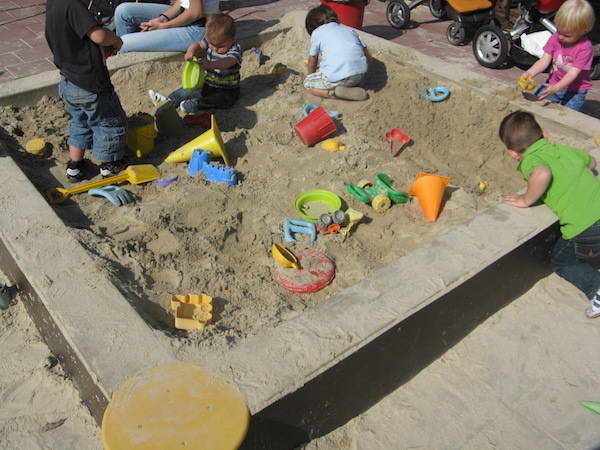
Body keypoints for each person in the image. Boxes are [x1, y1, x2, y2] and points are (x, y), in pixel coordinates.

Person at [499, 110, 600, 318]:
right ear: (544, 134)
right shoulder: (562, 149)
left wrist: (525, 199)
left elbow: (542, 173)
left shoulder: (530, 160)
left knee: (562, 260)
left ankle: (596, 288)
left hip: (586, 228)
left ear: (513, 153)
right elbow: (592, 162)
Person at [45, 0, 128, 181]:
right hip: (90, 83)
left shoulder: (53, 4)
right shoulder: (73, 6)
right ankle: (109, 165)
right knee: (108, 122)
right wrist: (115, 39)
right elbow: (98, 36)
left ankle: (75, 166)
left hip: (68, 80)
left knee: (79, 122)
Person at [148, 13, 242, 114]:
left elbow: (227, 62)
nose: (215, 49)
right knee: (188, 90)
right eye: (211, 45)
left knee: (220, 100)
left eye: (220, 46)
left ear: (233, 39)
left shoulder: (235, 49)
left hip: (227, 90)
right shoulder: (213, 41)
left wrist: (210, 65)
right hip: (208, 83)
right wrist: (191, 50)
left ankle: (195, 105)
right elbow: (198, 45)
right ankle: (168, 101)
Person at [521, 0, 595, 111]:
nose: (560, 37)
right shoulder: (556, 37)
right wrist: (530, 72)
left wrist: (556, 88)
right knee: (538, 106)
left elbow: (572, 74)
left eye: (566, 35)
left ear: (584, 31)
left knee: (567, 117)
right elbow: (544, 60)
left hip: (575, 91)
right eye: (558, 30)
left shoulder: (585, 48)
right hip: (553, 82)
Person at [303, 5, 370, 101]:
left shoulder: (317, 33)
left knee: (307, 83)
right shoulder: (349, 30)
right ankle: (355, 86)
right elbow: (367, 54)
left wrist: (311, 75)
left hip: (338, 78)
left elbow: (312, 60)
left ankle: (332, 93)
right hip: (359, 75)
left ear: (312, 28)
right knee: (353, 76)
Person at [114, 0, 219, 53]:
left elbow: (196, 13)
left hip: (200, 28)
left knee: (122, 43)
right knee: (122, 11)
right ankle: (130, 57)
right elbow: (182, 2)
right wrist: (163, 18)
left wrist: (163, 26)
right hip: (184, 15)